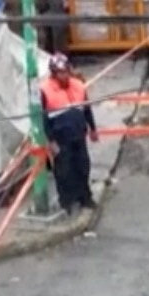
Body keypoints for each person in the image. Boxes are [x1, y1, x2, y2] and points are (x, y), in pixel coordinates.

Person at [39, 53, 97, 216]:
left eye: (65, 71)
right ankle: (67, 201)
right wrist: (50, 140)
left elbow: (86, 109)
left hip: (78, 135)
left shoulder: (78, 85)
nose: (64, 75)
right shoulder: (45, 90)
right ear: (54, 73)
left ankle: (85, 197)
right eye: (60, 73)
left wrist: (92, 129)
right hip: (60, 139)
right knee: (64, 171)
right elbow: (43, 118)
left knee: (83, 167)